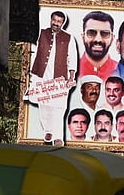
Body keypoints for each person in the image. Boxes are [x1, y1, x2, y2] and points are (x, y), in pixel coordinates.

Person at [30, 11, 78, 145]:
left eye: (59, 21)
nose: (56, 23)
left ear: (63, 23)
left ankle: (58, 137)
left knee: (59, 107)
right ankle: (48, 131)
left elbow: (72, 58)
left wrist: (71, 77)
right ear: (51, 20)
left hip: (60, 78)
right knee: (43, 105)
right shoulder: (42, 33)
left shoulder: (68, 38)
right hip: (41, 76)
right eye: (54, 20)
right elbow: (33, 52)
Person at [79, 10, 118, 80]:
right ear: (83, 37)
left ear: (112, 38)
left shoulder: (121, 72)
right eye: (91, 33)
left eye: (105, 33)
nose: (98, 39)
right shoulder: (68, 72)